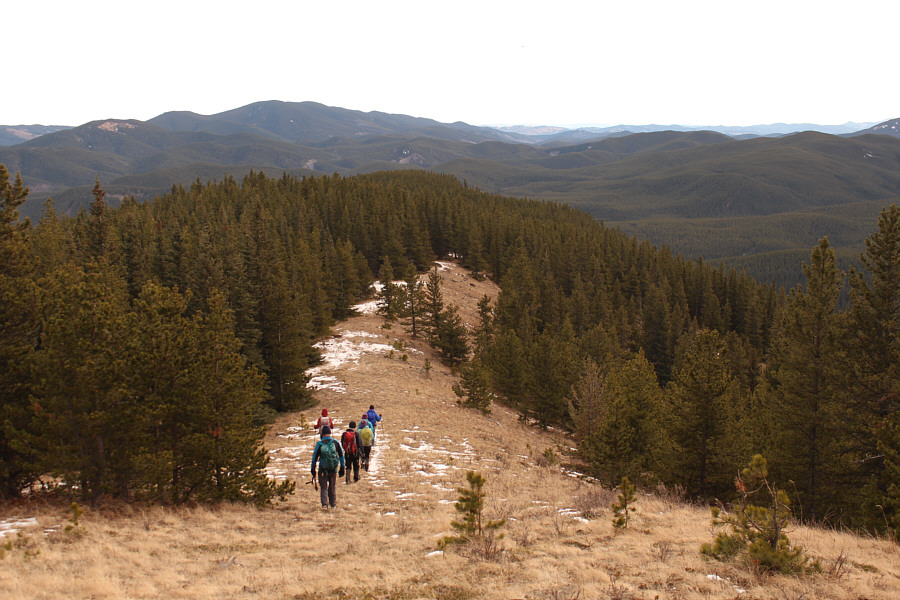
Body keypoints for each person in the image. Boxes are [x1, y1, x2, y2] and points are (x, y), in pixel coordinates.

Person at [310, 426, 345, 509]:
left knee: (324, 487)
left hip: (322, 469)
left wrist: (313, 469)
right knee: (332, 486)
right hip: (333, 468)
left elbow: (314, 457)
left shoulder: (319, 444)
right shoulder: (335, 442)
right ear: (330, 432)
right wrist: (342, 467)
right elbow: (341, 455)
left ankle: (325, 504)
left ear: (322, 434)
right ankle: (333, 504)